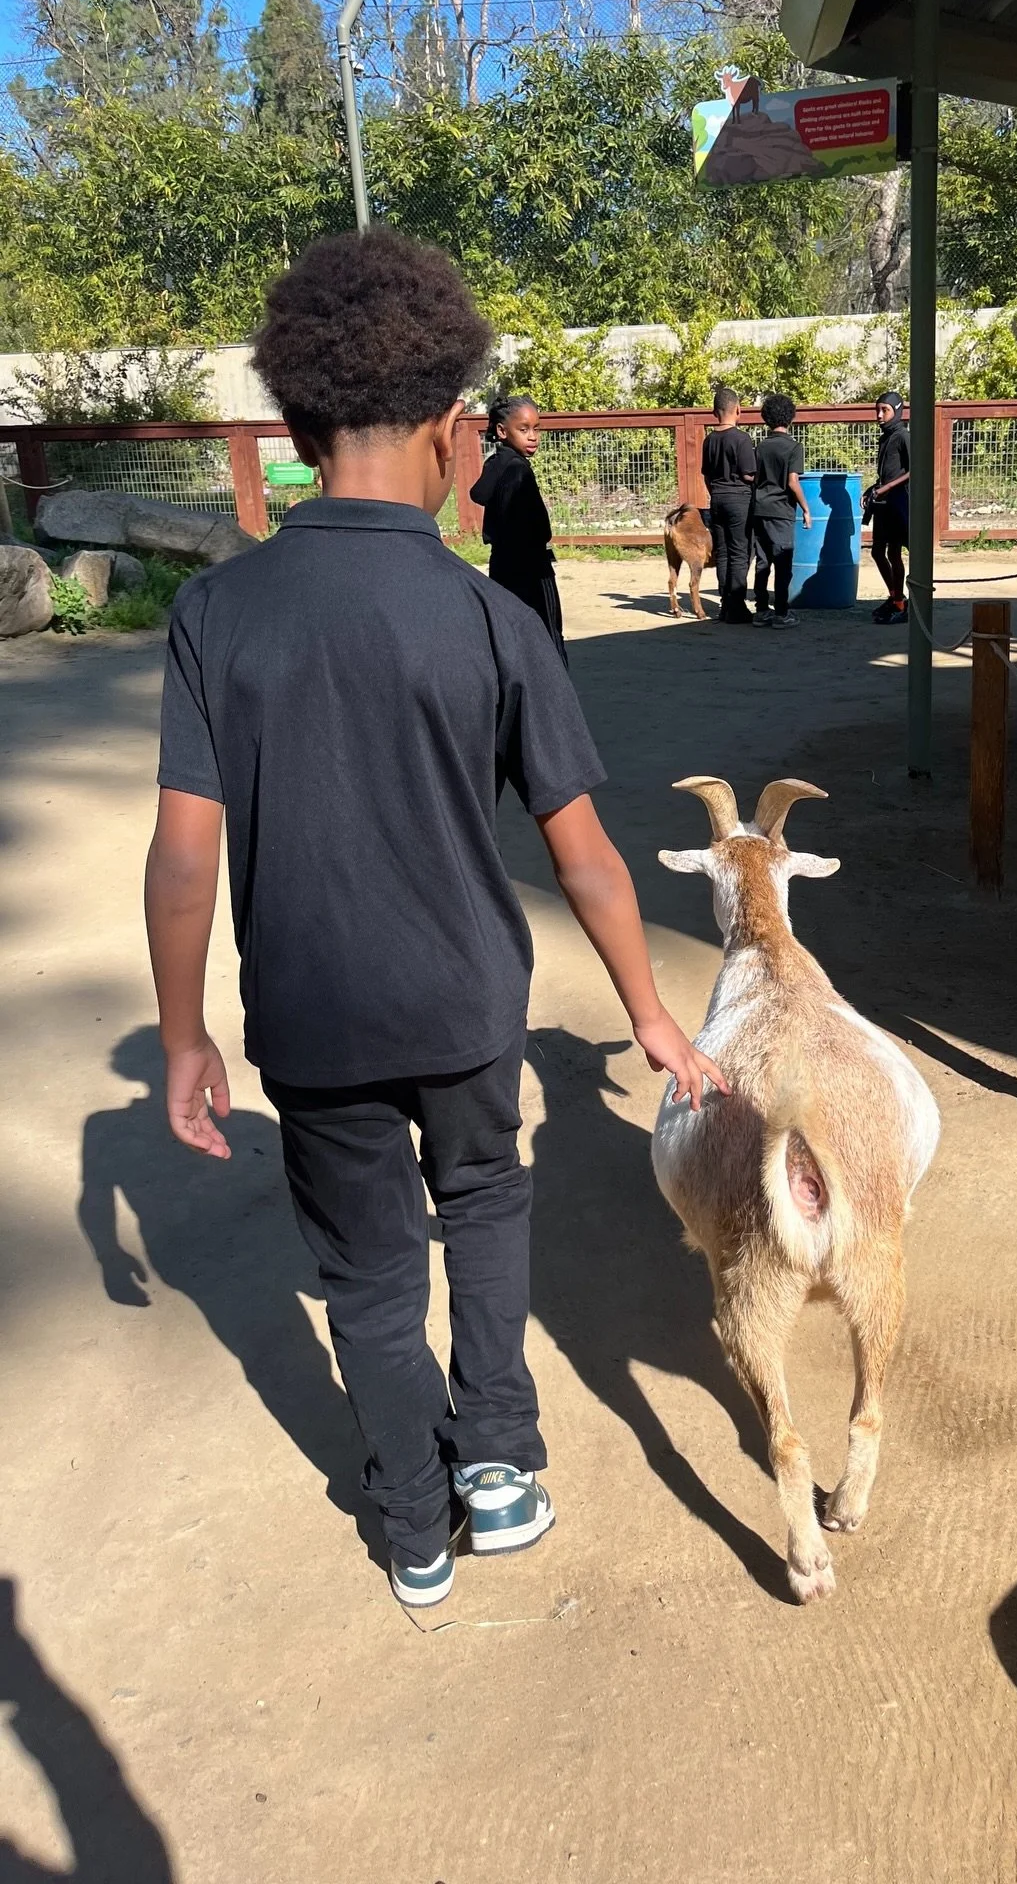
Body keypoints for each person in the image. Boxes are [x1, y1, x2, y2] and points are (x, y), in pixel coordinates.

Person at [143, 226, 726, 1612]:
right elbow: (583, 858)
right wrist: (649, 1011)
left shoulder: (214, 616)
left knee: (365, 1270)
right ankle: (503, 1464)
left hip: (310, 1017)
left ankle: (412, 1520)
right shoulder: (491, 623)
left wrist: (182, 1038)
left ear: (291, 429)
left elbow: (181, 856)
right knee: (485, 1200)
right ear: (458, 436)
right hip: (470, 1005)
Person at [470, 392, 567, 662]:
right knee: (546, 633)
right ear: (502, 431)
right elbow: (535, 525)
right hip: (532, 568)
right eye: (523, 429)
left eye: (537, 428)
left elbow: (478, 494)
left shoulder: (496, 463)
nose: (533, 436)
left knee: (511, 632)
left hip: (502, 565)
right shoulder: (518, 470)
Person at [751, 393, 811, 628]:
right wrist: (806, 508)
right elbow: (792, 481)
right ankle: (782, 612)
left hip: (759, 509)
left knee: (762, 561)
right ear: (791, 417)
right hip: (781, 511)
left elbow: (754, 478)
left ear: (766, 418)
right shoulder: (794, 447)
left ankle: (762, 609)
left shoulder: (761, 447)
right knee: (783, 562)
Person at [700, 384, 756, 625]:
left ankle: (725, 604)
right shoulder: (742, 439)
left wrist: (716, 491)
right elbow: (748, 475)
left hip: (717, 499)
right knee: (740, 553)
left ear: (715, 412)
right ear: (738, 410)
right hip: (739, 500)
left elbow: (706, 475)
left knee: (722, 552)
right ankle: (737, 604)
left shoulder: (709, 440)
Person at [867, 390, 910, 625]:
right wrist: (874, 488)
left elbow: (915, 470)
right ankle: (896, 597)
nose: (879, 415)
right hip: (883, 503)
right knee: (877, 552)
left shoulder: (904, 436)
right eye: (878, 410)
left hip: (897, 502)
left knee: (894, 553)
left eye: (885, 410)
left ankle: (900, 603)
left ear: (897, 410)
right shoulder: (885, 437)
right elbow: (887, 472)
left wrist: (887, 488)